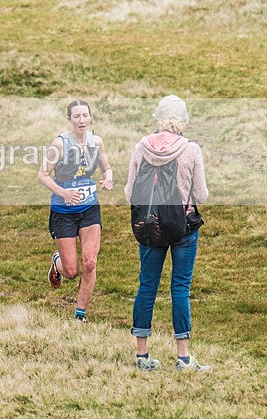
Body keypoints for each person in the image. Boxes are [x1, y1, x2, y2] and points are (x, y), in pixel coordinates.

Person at [124, 95, 210, 372]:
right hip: (182, 227)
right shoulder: (191, 149)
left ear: (157, 118)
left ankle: (141, 355)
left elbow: (129, 192)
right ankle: (183, 358)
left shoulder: (141, 147)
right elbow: (201, 195)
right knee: (180, 289)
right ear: (183, 120)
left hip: (149, 226)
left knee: (147, 286)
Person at [37, 100, 113, 323]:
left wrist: (108, 178)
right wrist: (63, 193)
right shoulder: (59, 144)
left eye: (85, 116)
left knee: (90, 262)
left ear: (90, 118)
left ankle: (80, 314)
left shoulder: (96, 142)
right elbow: (42, 175)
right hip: (63, 212)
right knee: (72, 271)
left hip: (89, 209)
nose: (81, 120)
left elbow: (106, 168)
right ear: (69, 119)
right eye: (76, 116)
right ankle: (57, 261)